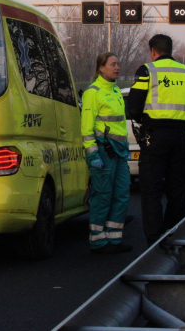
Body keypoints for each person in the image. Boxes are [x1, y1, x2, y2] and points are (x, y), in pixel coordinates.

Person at [128, 34, 185, 246]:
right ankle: (174, 232)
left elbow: (133, 107)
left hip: (154, 136)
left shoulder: (148, 70)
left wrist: (142, 120)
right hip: (181, 137)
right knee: (178, 188)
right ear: (170, 50)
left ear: (153, 51)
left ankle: (154, 239)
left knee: (151, 189)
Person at [81, 52, 133, 255]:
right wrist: (93, 154)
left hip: (118, 153)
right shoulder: (93, 93)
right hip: (103, 151)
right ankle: (98, 240)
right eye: (113, 64)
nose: (117, 67)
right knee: (102, 196)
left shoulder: (116, 91)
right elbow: (86, 128)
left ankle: (114, 238)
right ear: (101, 68)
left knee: (121, 195)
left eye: (118, 64)